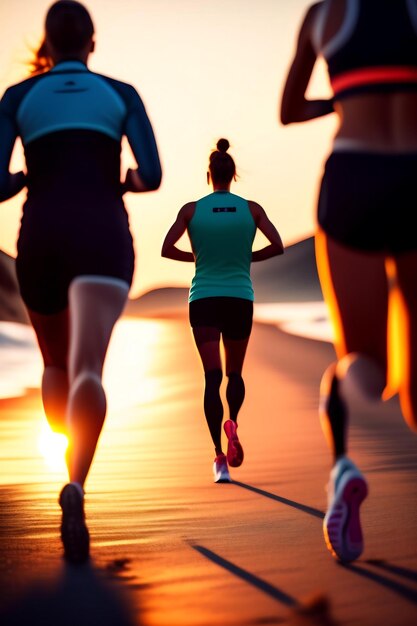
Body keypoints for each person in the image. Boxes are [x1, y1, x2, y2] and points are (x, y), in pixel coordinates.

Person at [0, 0, 162, 563]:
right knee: (89, 367)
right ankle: (77, 484)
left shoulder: (19, 98)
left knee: (55, 367)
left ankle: (65, 451)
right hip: (101, 235)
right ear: (92, 43)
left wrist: (26, 175)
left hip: (41, 236)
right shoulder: (120, 93)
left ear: (46, 47)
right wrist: (124, 180)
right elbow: (152, 174)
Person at [280, 0, 417, 563]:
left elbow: (288, 111)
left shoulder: (324, 15)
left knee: (362, 362)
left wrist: (341, 97)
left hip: (354, 175)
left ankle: (342, 468)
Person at [161, 138, 283, 483]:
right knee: (234, 375)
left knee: (211, 378)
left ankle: (218, 457)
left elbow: (166, 248)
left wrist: (196, 258)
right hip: (239, 298)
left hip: (204, 299)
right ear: (234, 176)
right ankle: (234, 422)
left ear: (209, 175)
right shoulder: (252, 209)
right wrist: (247, 257)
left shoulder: (191, 210)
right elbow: (277, 246)